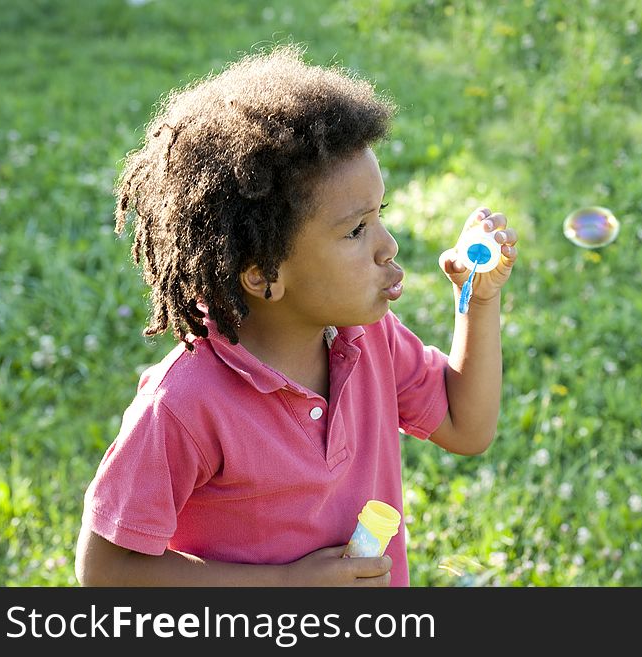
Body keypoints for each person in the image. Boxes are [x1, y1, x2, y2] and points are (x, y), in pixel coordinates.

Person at [74, 44, 518, 587]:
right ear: (262, 273)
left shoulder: (367, 340)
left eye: (382, 215)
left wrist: (479, 300)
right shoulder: (184, 405)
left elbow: (465, 427)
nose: (389, 246)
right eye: (356, 230)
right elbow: (104, 568)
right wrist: (283, 587)